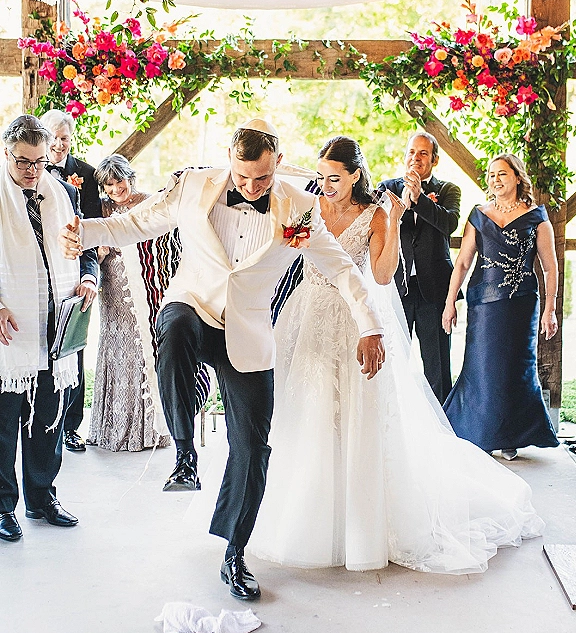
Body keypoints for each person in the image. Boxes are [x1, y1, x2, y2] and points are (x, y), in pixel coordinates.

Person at [59, 119, 384, 599]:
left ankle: (235, 554)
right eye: (242, 177)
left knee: (254, 451)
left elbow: (339, 267)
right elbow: (136, 222)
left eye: (263, 178)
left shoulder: (299, 207)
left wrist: (370, 325)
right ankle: (184, 451)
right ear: (228, 161)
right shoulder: (194, 184)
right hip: (195, 304)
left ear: (277, 164)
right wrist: (83, 232)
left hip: (249, 334)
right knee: (172, 328)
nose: (251, 187)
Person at [250, 136, 544, 573]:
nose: (326, 186)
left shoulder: (374, 214)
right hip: (308, 312)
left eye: (335, 178)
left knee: (357, 414)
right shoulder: (305, 204)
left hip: (356, 318)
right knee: (306, 411)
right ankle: (305, 508)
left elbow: (384, 276)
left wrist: (394, 219)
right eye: (321, 177)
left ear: (355, 176)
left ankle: (360, 521)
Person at [0, 115, 97, 543]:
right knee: (3, 424)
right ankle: (3, 507)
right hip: (10, 330)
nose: (33, 170)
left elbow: (85, 249)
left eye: (40, 162)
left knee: (48, 419)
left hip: (56, 324)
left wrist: (88, 278)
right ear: (6, 153)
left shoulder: (61, 194)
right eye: (23, 161)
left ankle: (42, 496)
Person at [442, 153, 559, 458]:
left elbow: (549, 267)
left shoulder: (536, 217)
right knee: (482, 368)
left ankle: (509, 437)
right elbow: (463, 261)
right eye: (491, 175)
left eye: (502, 174)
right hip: (483, 305)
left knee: (514, 371)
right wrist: (450, 302)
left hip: (521, 307)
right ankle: (477, 432)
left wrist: (550, 309)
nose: (495, 179)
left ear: (518, 178)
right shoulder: (478, 215)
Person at [87, 154, 177, 451]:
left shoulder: (150, 203)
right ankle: (114, 429)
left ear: (130, 177)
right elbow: (93, 256)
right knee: (116, 348)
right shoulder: (103, 209)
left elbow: (167, 245)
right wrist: (103, 247)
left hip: (147, 284)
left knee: (143, 347)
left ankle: (149, 430)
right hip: (113, 286)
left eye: (119, 182)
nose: (115, 190)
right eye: (108, 185)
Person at [377, 131, 461, 403]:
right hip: (396, 287)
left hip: (434, 289)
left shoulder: (448, 190)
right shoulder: (385, 188)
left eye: (423, 153)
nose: (416, 158)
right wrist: (404, 199)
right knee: (392, 358)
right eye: (412, 152)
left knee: (436, 363)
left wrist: (420, 198)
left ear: (434, 160)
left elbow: (449, 224)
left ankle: (444, 425)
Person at [41, 109, 101, 454]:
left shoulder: (85, 176)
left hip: (75, 273)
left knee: (74, 347)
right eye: (54, 138)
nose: (60, 145)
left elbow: (88, 231)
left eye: (65, 138)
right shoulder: (19, 179)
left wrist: (89, 275)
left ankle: (70, 426)